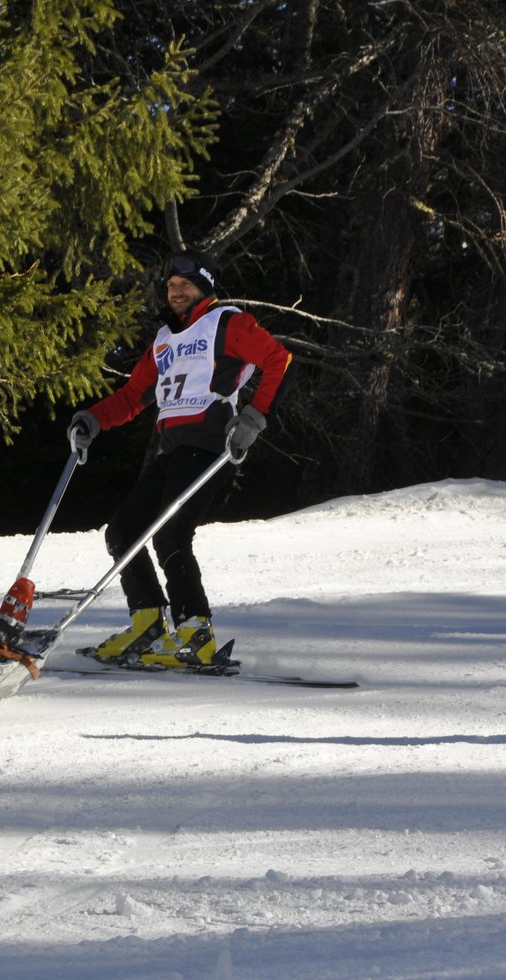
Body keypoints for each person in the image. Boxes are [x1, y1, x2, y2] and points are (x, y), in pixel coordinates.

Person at [67, 247, 292, 668]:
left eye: (185, 284)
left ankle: (195, 632)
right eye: (171, 285)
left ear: (203, 287)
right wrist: (92, 420)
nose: (176, 291)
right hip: (173, 449)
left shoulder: (226, 323)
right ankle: (149, 621)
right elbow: (134, 396)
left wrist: (254, 418)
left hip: (209, 445)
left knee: (171, 534)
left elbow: (277, 358)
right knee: (123, 531)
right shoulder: (165, 339)